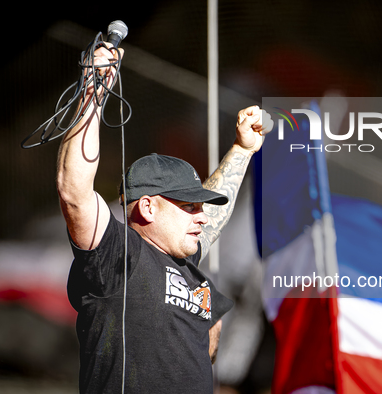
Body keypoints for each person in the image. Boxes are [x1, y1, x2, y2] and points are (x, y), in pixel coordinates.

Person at [57, 43, 271, 393]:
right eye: (189, 206)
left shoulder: (189, 262)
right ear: (147, 208)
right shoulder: (116, 254)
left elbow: (215, 214)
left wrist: (242, 149)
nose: (201, 217)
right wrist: (93, 91)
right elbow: (74, 194)